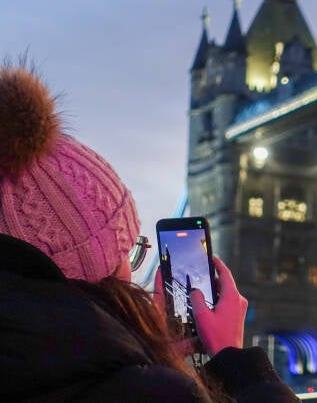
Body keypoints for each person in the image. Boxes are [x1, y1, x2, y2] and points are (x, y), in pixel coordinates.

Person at [0, 65, 298, 402]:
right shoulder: (150, 392)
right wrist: (239, 365)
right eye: (127, 252)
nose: (132, 271)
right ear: (96, 270)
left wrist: (146, 349)